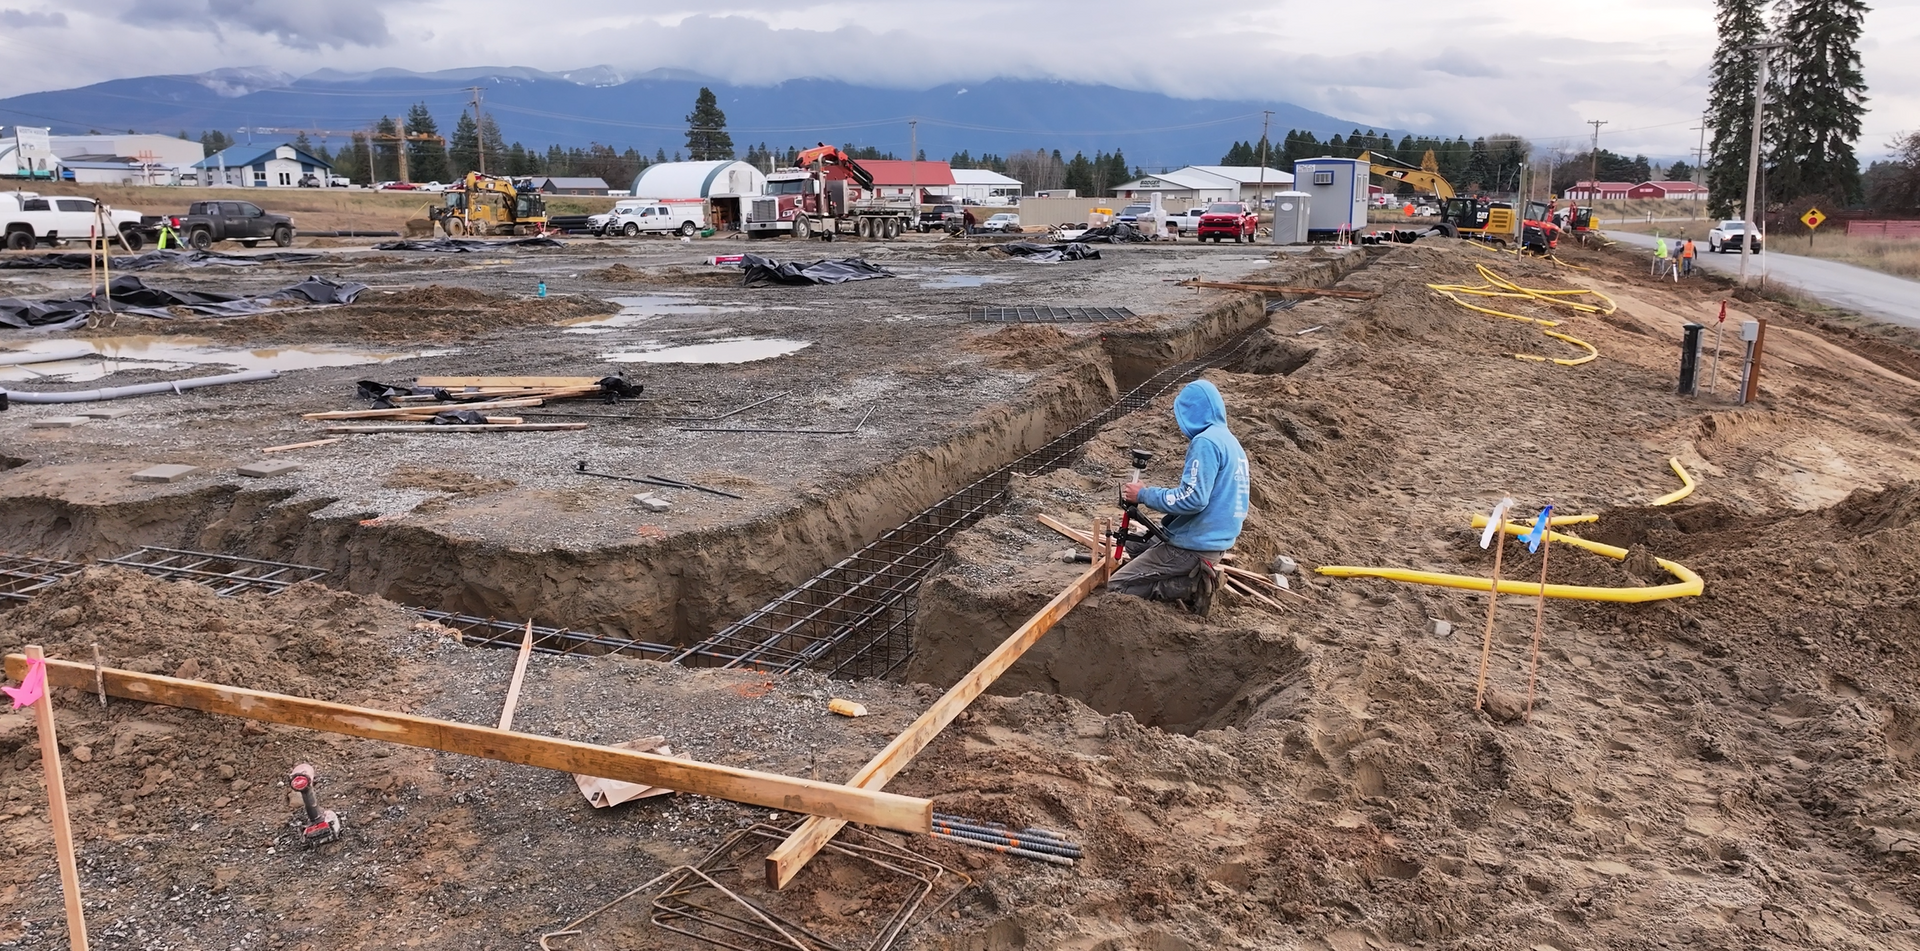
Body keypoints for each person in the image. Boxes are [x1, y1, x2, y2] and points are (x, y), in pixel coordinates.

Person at [1110, 379, 1251, 615]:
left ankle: (1192, 586)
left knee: (1117, 585)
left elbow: (1193, 499)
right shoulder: (1230, 442)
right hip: (1214, 542)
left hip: (1194, 546)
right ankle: (1191, 575)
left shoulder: (1205, 442)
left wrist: (1144, 494)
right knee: (1136, 548)